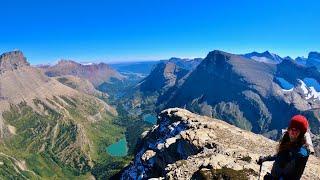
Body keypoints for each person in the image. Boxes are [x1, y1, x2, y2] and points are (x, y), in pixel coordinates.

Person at [257, 115, 310, 180]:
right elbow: (280, 155)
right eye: (291, 128)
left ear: (301, 132)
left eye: (296, 130)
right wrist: (266, 158)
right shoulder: (287, 140)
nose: (293, 132)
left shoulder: (301, 151)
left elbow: (292, 171)